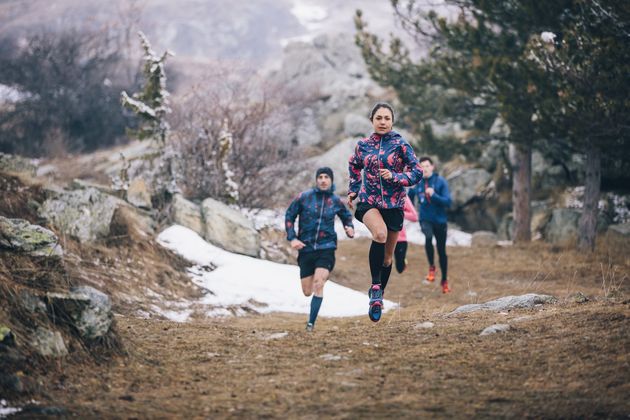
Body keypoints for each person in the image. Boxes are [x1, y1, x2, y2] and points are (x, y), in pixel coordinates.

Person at [348, 102, 423, 322]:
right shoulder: (363, 145)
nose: (383, 122)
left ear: (392, 121)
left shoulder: (401, 144)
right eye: (379, 118)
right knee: (379, 234)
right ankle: (375, 287)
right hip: (369, 201)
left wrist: (396, 177)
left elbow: (417, 171)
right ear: (372, 120)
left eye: (387, 118)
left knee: (388, 259)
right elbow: (354, 166)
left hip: (394, 205)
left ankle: (376, 299)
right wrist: (353, 190)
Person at [285, 167, 355, 332]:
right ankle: (318, 279)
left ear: (331, 180)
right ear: (317, 180)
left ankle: (311, 324)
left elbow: (346, 216)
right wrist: (292, 238)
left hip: (326, 248)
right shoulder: (304, 197)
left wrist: (349, 227)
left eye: (326, 177)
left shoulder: (336, 200)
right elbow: (289, 215)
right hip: (306, 248)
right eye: (320, 177)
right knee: (307, 291)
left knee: (318, 284)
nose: (323, 180)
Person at [408, 156, 452, 293]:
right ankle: (431, 267)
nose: (425, 169)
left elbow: (448, 202)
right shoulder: (418, 183)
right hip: (425, 219)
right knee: (427, 237)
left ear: (432, 167)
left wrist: (434, 196)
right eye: (422, 166)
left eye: (427, 166)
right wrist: (410, 190)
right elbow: (408, 201)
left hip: (440, 221)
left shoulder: (440, 182)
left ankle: (444, 280)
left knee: (442, 251)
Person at [394, 195, 418, 274]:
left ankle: (403, 261)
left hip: (399, 238)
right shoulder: (378, 191)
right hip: (383, 236)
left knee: (400, 268)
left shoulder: (402, 196)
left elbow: (414, 217)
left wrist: (398, 212)